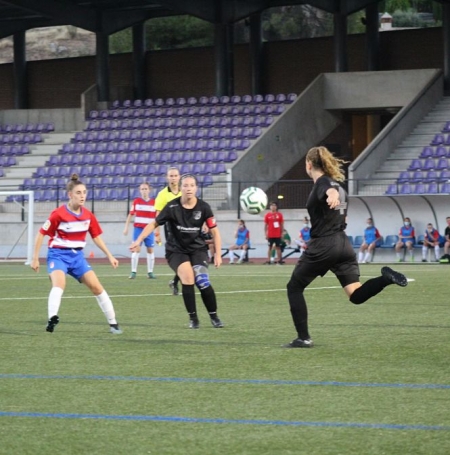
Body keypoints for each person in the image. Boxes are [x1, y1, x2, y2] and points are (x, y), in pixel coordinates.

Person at [285, 146, 407, 348]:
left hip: (324, 244)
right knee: (356, 295)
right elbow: (343, 212)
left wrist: (330, 195)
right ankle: (385, 279)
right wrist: (333, 198)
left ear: (308, 164)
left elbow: (328, 191)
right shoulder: (341, 186)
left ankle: (303, 338)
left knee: (294, 287)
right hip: (343, 244)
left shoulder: (324, 184)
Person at [30, 173, 123, 335]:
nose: (82, 196)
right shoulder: (58, 214)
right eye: (79, 193)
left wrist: (109, 255)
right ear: (70, 195)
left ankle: (113, 324)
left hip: (77, 258)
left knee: (97, 287)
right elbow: (40, 234)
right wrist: (35, 258)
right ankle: (52, 318)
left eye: (85, 192)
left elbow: (96, 237)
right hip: (58, 255)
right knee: (60, 284)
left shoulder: (88, 215)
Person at [130, 174, 224, 329]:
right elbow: (153, 224)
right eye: (185, 185)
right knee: (188, 278)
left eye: (192, 185)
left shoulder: (204, 207)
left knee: (202, 281)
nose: (188, 189)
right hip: (176, 251)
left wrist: (218, 254)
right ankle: (193, 319)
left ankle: (214, 316)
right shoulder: (172, 207)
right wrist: (138, 240)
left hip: (197, 249)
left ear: (196, 188)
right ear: (181, 188)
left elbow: (215, 232)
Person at [154, 166, 182, 295]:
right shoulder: (162, 194)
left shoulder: (184, 191)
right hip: (171, 229)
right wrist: (157, 232)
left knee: (188, 258)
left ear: (179, 177)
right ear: (167, 177)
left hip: (187, 227)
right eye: (171, 176)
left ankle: (175, 282)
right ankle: (176, 281)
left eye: (175, 175)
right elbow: (158, 215)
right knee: (181, 256)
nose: (173, 178)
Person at [123, 182, 156, 279]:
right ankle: (133, 271)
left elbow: (157, 218)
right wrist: (126, 227)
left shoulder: (154, 202)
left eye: (146, 189)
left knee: (150, 249)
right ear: (140, 191)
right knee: (136, 249)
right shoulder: (136, 201)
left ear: (149, 190)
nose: (144, 191)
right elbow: (130, 214)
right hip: (138, 229)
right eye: (142, 189)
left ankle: (150, 272)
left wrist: (157, 231)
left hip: (149, 229)